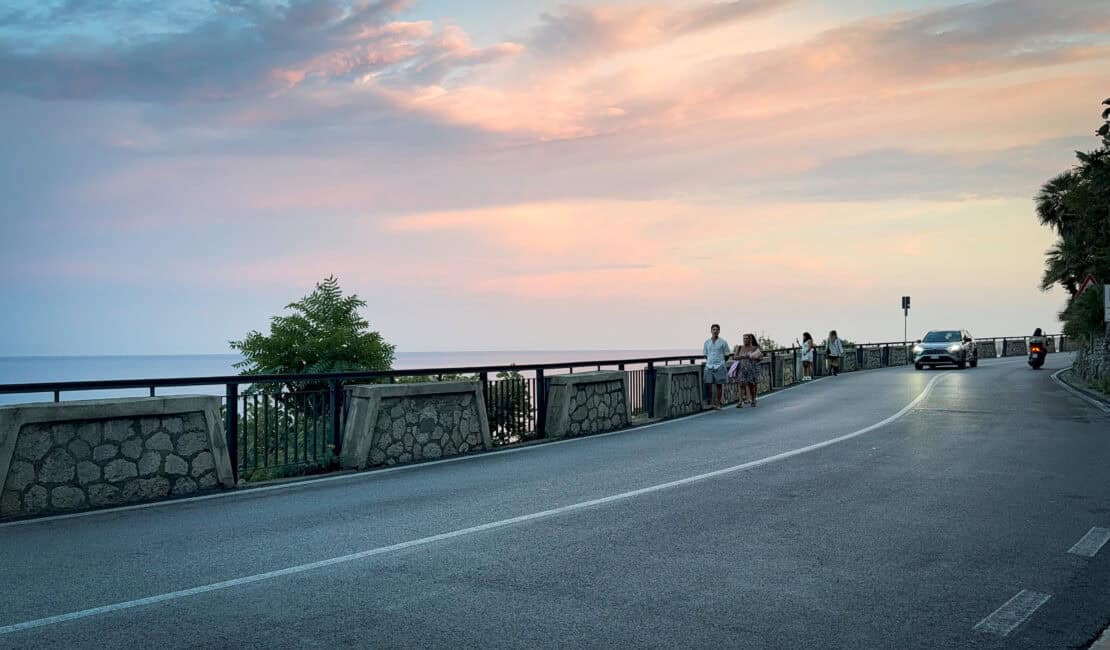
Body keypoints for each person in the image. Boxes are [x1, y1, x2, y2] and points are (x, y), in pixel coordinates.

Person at [703, 324, 731, 409]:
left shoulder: (723, 342)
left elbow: (727, 354)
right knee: (708, 384)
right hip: (709, 366)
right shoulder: (707, 342)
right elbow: (705, 354)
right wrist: (710, 361)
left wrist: (722, 362)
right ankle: (711, 403)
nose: (715, 331)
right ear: (711, 331)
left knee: (719, 385)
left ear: (719, 331)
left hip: (719, 366)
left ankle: (718, 403)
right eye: (713, 329)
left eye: (717, 329)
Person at [732, 333, 764, 407]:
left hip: (752, 369)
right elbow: (735, 357)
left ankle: (753, 400)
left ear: (750, 339)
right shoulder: (739, 347)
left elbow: (761, 358)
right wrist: (742, 356)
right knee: (741, 385)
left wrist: (754, 357)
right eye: (744, 338)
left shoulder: (755, 348)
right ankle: (740, 402)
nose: (745, 340)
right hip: (742, 368)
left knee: (751, 385)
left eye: (747, 338)